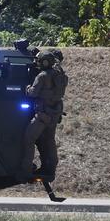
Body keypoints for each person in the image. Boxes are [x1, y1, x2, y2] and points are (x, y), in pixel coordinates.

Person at [22, 48, 69, 184]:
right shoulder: (61, 76)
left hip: (42, 114)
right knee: (49, 141)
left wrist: (27, 88)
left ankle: (26, 169)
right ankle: (50, 169)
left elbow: (33, 93)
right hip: (54, 114)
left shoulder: (42, 76)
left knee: (29, 138)